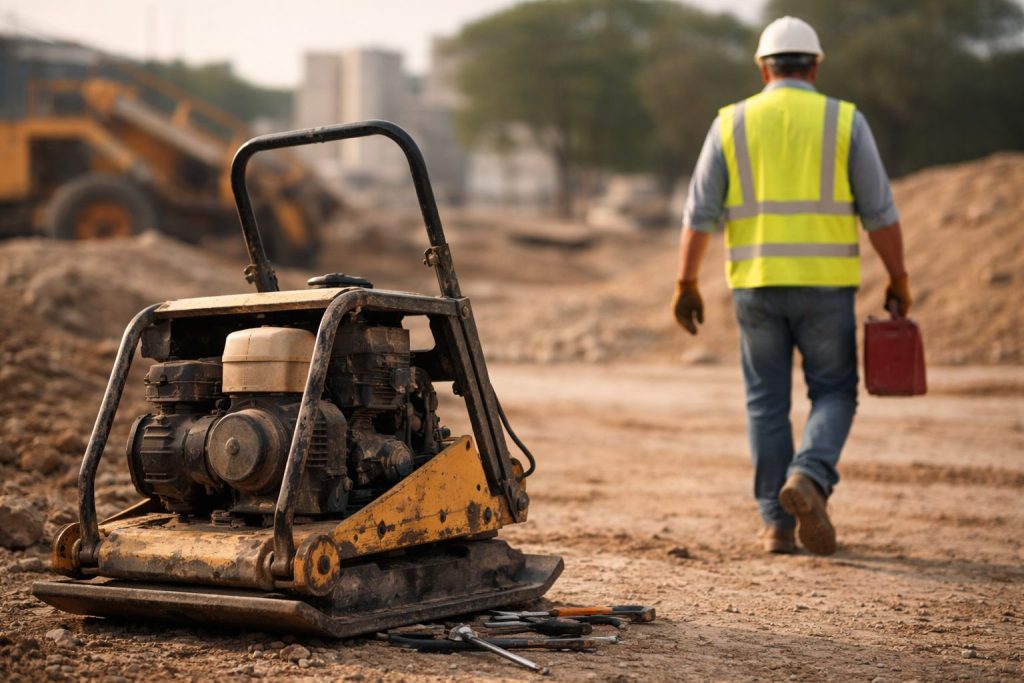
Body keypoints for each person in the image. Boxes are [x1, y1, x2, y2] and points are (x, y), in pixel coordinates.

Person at [672, 16, 911, 555]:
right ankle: (809, 474)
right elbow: (881, 213)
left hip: (756, 285)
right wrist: (898, 276)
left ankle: (776, 524)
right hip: (826, 286)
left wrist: (686, 282)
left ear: (762, 67)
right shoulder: (844, 120)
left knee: (765, 403)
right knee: (833, 392)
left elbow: (699, 214)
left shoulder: (730, 122)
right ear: (816, 65)